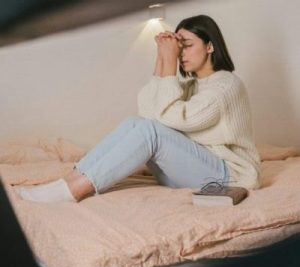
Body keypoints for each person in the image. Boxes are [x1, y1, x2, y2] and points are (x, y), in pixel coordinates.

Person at [15, 15, 260, 203]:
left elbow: (176, 119)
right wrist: (162, 57)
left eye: (187, 45)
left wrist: (170, 62)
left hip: (227, 177)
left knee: (148, 131)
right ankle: (70, 180)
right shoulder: (191, 85)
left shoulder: (226, 85)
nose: (181, 53)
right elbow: (147, 110)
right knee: (136, 123)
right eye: (179, 47)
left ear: (210, 46)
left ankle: (71, 192)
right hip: (193, 171)